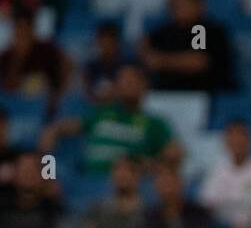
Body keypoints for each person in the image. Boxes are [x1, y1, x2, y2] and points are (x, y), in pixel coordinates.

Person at [41, 63, 178, 174]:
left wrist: (150, 165)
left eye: (131, 81)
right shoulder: (101, 114)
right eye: (122, 80)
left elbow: (175, 154)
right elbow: (59, 128)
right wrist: (51, 136)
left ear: (143, 86)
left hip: (127, 186)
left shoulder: (154, 123)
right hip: (89, 182)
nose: (126, 85)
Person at [139, 0, 235, 94]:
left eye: (186, 4)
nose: (180, 8)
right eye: (177, 5)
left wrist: (163, 61)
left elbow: (197, 62)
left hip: (205, 95)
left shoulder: (208, 29)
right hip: (166, 94)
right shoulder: (163, 31)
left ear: (199, 5)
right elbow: (149, 57)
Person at [137, 163, 216, 228]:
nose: (168, 189)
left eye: (171, 183)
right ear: (156, 187)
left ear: (180, 184)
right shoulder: (149, 216)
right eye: (163, 184)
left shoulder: (199, 213)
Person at [78, 156, 146, 228]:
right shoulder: (98, 209)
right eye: (117, 170)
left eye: (128, 170)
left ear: (137, 176)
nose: (122, 174)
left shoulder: (147, 212)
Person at [0, 149, 63, 228]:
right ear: (14, 173)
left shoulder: (52, 208)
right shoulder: (3, 205)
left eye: (33, 170)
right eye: (23, 169)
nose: (28, 174)